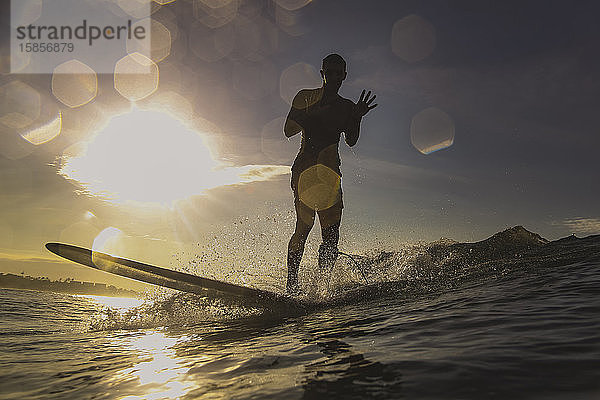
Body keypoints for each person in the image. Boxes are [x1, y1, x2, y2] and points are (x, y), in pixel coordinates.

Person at [284, 53, 377, 295]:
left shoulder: (347, 107)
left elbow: (352, 141)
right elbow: (288, 130)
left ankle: (321, 289)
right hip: (305, 170)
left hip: (330, 175)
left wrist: (356, 118)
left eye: (339, 73)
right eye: (330, 72)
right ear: (322, 73)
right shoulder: (305, 97)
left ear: (344, 76)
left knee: (331, 236)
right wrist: (313, 111)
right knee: (303, 227)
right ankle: (291, 286)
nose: (335, 77)